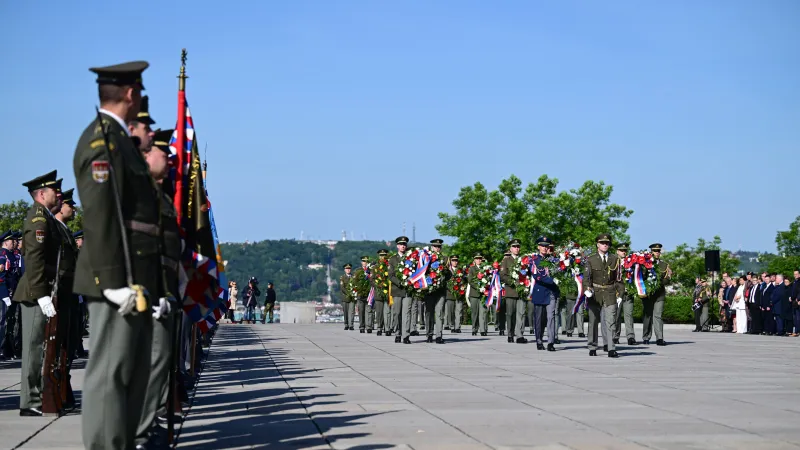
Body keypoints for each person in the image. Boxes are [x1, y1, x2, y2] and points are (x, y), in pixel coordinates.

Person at [74, 60, 161, 449]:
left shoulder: (120, 141)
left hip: (134, 280)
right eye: (140, 92)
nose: (140, 98)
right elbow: (102, 213)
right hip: (117, 282)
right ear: (130, 94)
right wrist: (112, 283)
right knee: (109, 380)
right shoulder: (103, 142)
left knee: (129, 379)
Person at [15, 170, 62, 416]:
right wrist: (42, 294)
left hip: (42, 289)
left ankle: (35, 396)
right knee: (33, 348)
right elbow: (34, 258)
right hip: (35, 292)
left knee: (41, 346)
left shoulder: (46, 217)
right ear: (42, 194)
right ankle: (29, 401)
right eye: (54, 190)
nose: (59, 193)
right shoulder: (38, 219)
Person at [583, 233, 623, 358]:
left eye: (607, 243)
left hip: (610, 293)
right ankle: (592, 346)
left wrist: (620, 294)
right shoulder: (591, 259)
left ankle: (611, 348)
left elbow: (619, 279)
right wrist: (587, 289)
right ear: (597, 244)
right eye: (602, 243)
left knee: (610, 322)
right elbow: (586, 277)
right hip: (595, 293)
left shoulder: (615, 259)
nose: (605, 245)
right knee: (593, 321)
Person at [530, 237, 559, 351]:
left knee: (551, 317)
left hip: (551, 292)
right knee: (539, 319)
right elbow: (536, 275)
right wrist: (551, 280)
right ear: (538, 247)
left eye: (547, 246)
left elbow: (561, 270)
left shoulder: (554, 260)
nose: (545, 248)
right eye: (542, 246)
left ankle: (551, 342)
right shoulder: (534, 260)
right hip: (540, 291)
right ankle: (539, 340)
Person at [641, 243, 671, 345]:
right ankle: (646, 337)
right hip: (648, 294)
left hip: (659, 294)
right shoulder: (645, 264)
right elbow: (641, 278)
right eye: (655, 251)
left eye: (658, 251)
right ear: (651, 252)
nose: (657, 253)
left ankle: (659, 338)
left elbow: (668, 279)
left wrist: (658, 283)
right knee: (647, 316)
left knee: (658, 316)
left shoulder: (664, 265)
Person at [500, 239, 527, 344]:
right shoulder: (506, 260)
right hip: (511, 290)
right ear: (510, 248)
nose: (517, 249)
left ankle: (519, 335)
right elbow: (503, 275)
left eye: (518, 247)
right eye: (514, 247)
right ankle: (510, 334)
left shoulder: (523, 260)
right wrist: (513, 282)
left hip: (521, 291)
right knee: (510, 314)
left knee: (521, 313)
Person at [388, 236, 413, 344]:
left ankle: (406, 335)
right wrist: (400, 282)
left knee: (407, 313)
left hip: (408, 290)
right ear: (397, 246)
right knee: (397, 313)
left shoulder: (411, 259)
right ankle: (398, 333)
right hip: (397, 290)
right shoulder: (393, 259)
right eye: (401, 244)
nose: (403, 246)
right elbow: (391, 275)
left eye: (405, 244)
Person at [614, 243, 637, 344]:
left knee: (629, 315)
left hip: (628, 293)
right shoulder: (613, 262)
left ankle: (630, 337)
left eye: (625, 250)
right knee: (616, 316)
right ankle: (615, 336)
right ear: (617, 251)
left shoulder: (632, 262)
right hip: (617, 293)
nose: (623, 252)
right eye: (621, 250)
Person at [427, 239, 447, 344]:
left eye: (439, 246)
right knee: (429, 313)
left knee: (439, 313)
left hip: (440, 290)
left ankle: (439, 336)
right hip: (429, 291)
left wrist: (443, 275)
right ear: (432, 247)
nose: (437, 248)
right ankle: (429, 334)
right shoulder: (427, 258)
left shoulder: (445, 259)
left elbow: (449, 274)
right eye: (435, 246)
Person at [467, 253, 488, 337]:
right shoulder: (472, 269)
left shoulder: (485, 269)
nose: (479, 260)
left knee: (482, 312)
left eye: (480, 259)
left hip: (483, 294)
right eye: (477, 259)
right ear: (474, 260)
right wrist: (478, 287)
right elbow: (470, 280)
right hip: (474, 294)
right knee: (474, 313)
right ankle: (474, 329)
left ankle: (482, 330)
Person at [445, 256, 464, 334]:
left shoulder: (461, 270)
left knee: (459, 311)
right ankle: (452, 325)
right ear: (450, 261)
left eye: (456, 260)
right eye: (453, 260)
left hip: (459, 293)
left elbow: (464, 280)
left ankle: (457, 327)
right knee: (450, 311)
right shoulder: (447, 270)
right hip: (449, 293)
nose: (455, 262)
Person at [355, 257, 370, 333]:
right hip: (360, 294)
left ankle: (368, 326)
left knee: (368, 311)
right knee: (361, 311)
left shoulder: (370, 270)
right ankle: (362, 326)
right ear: (361, 262)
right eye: (363, 261)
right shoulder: (358, 271)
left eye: (366, 261)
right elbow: (355, 282)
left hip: (368, 294)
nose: (365, 262)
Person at [340, 264, 354, 330]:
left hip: (352, 297)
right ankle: (346, 324)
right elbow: (342, 288)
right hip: (345, 297)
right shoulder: (342, 277)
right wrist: (349, 293)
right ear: (344, 270)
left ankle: (351, 324)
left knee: (351, 311)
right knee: (345, 311)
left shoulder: (353, 277)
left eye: (349, 269)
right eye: (347, 269)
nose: (348, 270)